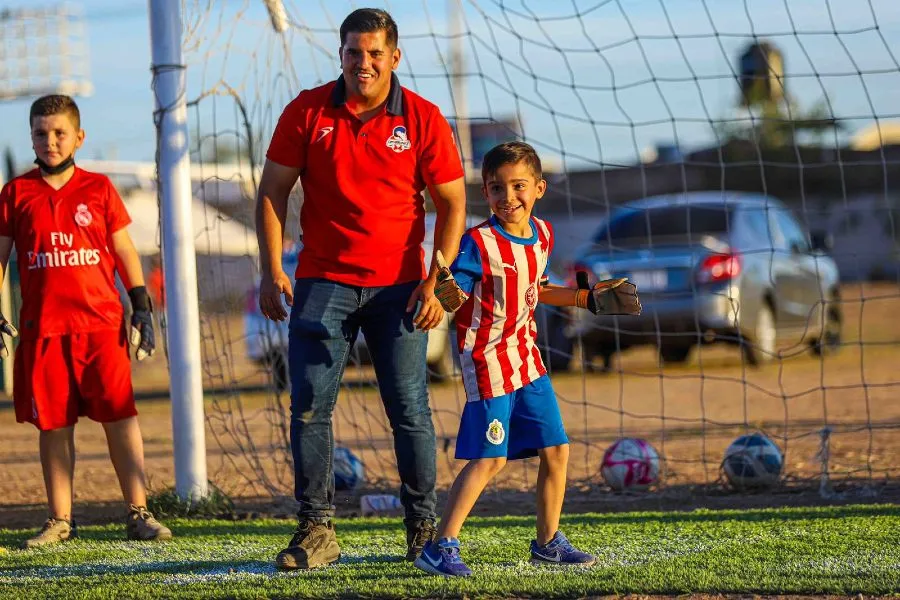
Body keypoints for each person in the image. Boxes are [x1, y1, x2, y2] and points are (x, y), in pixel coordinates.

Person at [255, 8, 467, 569]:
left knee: (411, 411)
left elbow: (453, 204)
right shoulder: (307, 110)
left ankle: (423, 531)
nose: (363, 62)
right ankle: (316, 530)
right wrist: (270, 267)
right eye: (354, 51)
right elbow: (272, 190)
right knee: (307, 409)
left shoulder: (422, 118)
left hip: (402, 288)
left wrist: (437, 284)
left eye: (375, 53)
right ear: (341, 54)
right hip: (321, 282)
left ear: (394, 57)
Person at [415, 141, 641, 577]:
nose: (508, 197)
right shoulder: (477, 242)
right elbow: (456, 296)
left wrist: (587, 298)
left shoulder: (544, 233)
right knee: (490, 458)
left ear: (538, 188)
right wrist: (439, 287)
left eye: (519, 186)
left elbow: (538, 286)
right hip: (487, 359)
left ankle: (547, 543)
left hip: (527, 357)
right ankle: (440, 547)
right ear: (485, 192)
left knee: (556, 450)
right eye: (497, 188)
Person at [0, 95, 172, 549]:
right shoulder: (16, 193)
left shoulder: (98, 189)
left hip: (100, 327)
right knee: (53, 425)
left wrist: (141, 305)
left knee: (119, 417)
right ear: (32, 137)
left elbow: (123, 250)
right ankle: (60, 519)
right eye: (41, 133)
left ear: (79, 137)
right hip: (44, 331)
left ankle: (138, 512)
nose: (50, 141)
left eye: (59, 133)